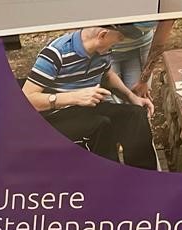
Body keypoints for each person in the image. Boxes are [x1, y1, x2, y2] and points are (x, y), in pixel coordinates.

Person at [22, 25, 156, 169]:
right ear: (102, 35)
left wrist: (132, 97)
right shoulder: (55, 53)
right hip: (57, 116)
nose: (120, 42)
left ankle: (145, 174)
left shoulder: (103, 50)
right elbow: (26, 99)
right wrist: (74, 97)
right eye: (119, 38)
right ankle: (111, 178)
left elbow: (108, 76)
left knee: (135, 114)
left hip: (89, 108)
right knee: (101, 125)